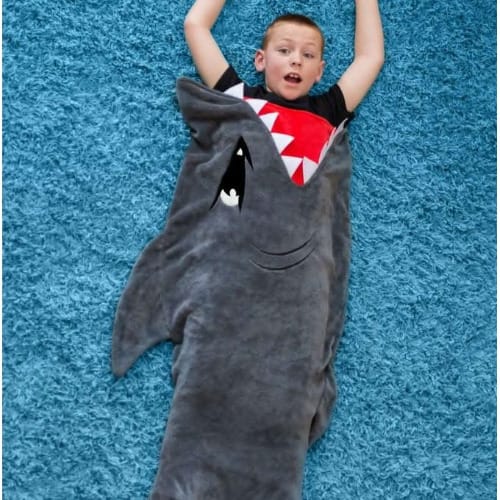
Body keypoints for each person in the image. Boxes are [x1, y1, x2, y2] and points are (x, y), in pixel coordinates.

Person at [184, 0, 384, 130]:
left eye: (308, 54)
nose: (296, 60)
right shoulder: (236, 97)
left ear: (319, 71)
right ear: (261, 60)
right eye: (284, 50)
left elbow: (370, 58)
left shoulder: (328, 111)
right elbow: (195, 26)